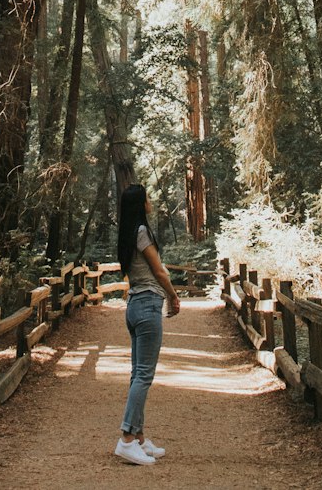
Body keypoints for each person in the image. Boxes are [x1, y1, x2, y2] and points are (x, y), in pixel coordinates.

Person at [114, 183, 180, 466]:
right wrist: (174, 295)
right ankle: (126, 440)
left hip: (134, 305)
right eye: (147, 199)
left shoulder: (127, 234)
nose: (150, 201)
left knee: (136, 375)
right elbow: (159, 271)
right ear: (141, 205)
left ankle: (139, 438)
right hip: (148, 304)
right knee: (143, 376)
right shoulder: (141, 232)